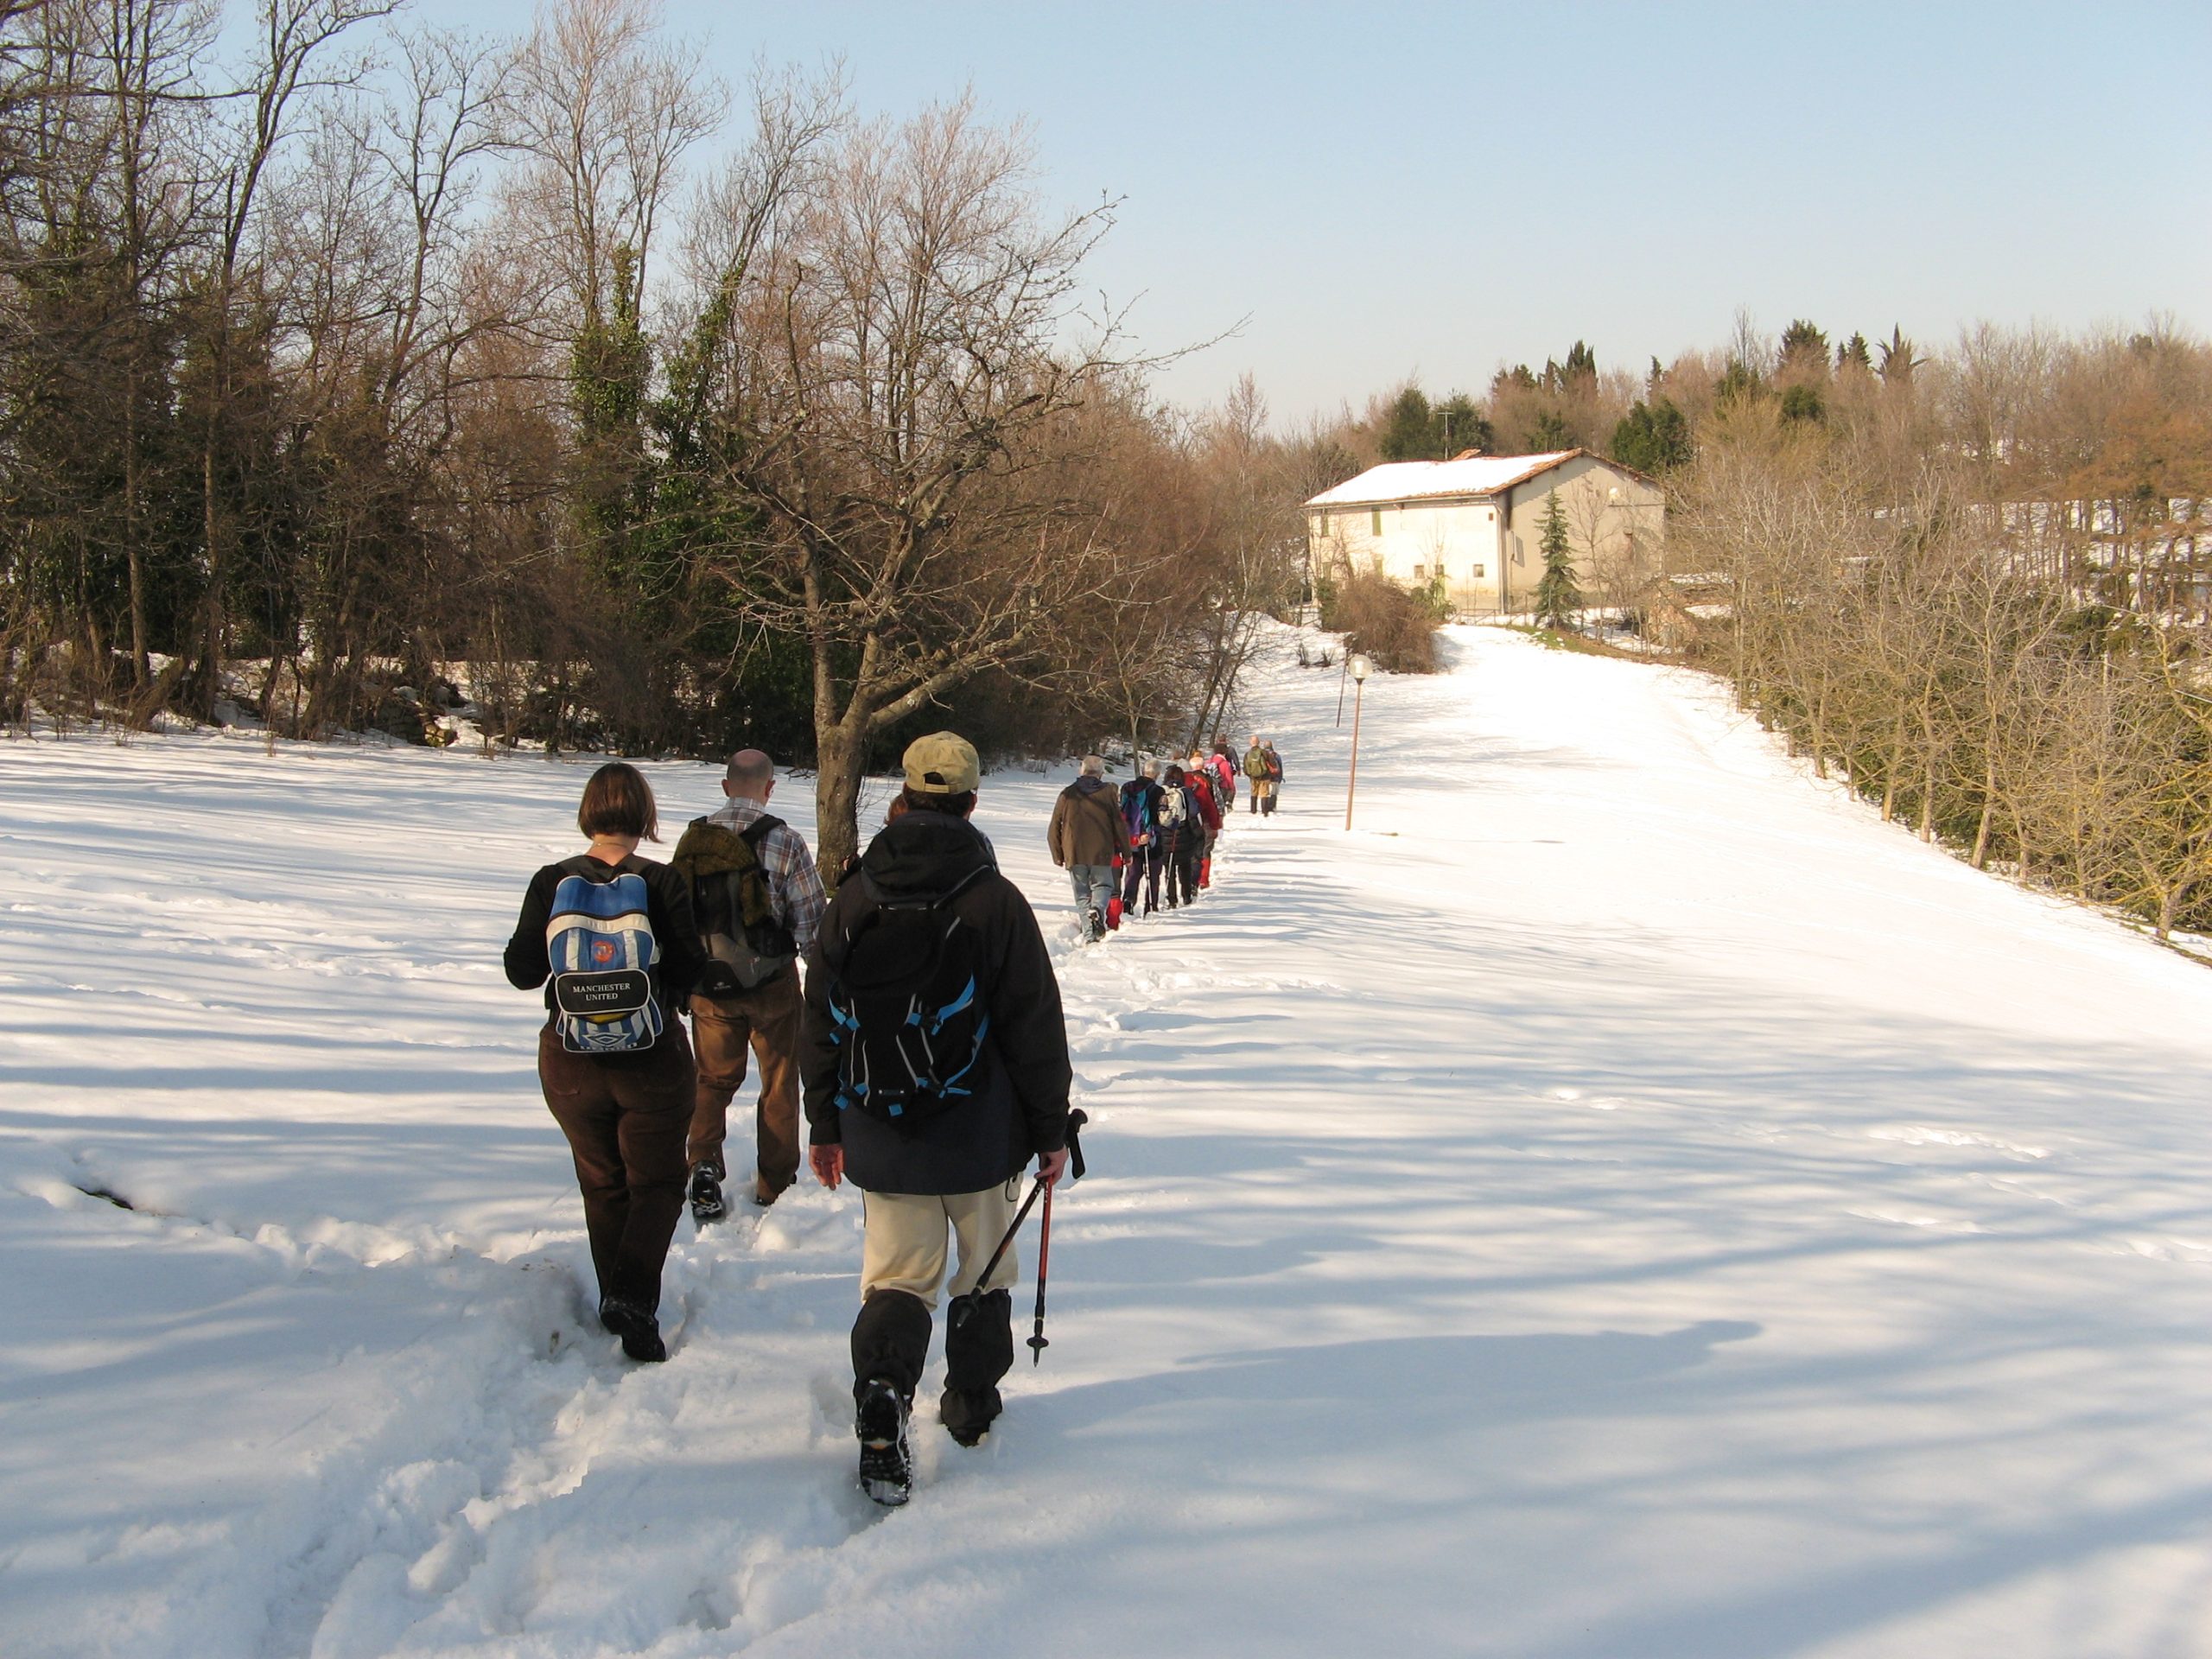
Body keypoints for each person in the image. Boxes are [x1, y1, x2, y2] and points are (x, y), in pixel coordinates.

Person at [800, 731, 1073, 1506]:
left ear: (905, 798)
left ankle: (884, 1389)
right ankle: (969, 1408)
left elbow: (817, 1018)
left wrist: (824, 1124)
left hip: (883, 1133)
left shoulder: (852, 895)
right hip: (980, 1135)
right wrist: (1049, 1132)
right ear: (972, 801)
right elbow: (1033, 1028)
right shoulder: (996, 901)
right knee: (983, 1272)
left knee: (897, 1277)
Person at [504, 762, 707, 1363]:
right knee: (660, 1181)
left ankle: (617, 1298)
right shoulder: (662, 882)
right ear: (645, 815)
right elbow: (691, 970)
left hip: (570, 1060)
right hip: (651, 1057)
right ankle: (633, 1297)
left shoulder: (550, 881)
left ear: (588, 812)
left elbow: (521, 973)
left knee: (601, 1181)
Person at [671, 748, 827, 1220]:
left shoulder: (694, 839)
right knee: (779, 1082)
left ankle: (702, 1163)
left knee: (712, 1079)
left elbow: (676, 913)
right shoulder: (785, 841)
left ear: (724, 786)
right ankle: (775, 1182)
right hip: (771, 985)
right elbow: (811, 921)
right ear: (769, 788)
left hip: (708, 986)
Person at [1047, 753, 1128, 941]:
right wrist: (1126, 850)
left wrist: (1057, 853)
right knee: (1104, 885)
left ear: (1082, 771)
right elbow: (1118, 824)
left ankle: (1090, 936)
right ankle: (1098, 909)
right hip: (1101, 851)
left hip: (1074, 851)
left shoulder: (1067, 793)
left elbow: (1054, 826)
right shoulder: (1108, 793)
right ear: (1100, 774)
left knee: (1082, 893)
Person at [1118, 758, 1167, 917]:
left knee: (1133, 872)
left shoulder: (1127, 787)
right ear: (1157, 774)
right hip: (1151, 837)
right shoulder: (1159, 791)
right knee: (1153, 873)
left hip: (1130, 837)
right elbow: (1162, 815)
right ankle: (1151, 906)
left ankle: (1128, 900)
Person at [1180, 753, 1223, 892]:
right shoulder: (1202, 783)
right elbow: (1212, 804)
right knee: (1204, 851)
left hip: (1180, 825)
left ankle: (1183, 884)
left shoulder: (1175, 786)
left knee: (1186, 854)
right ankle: (1202, 880)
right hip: (1202, 822)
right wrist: (1216, 824)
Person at [1243, 736, 1274, 816]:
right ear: (1259, 742)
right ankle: (1265, 812)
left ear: (1250, 742)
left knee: (1254, 793)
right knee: (1264, 794)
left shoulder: (1247, 754)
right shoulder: (1264, 752)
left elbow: (1245, 767)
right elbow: (1272, 764)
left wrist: (1250, 775)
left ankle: (1253, 811)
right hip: (1265, 777)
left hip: (1253, 778)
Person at [1262, 740, 1286, 815]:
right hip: (1275, 777)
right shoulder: (1276, 755)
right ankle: (1272, 807)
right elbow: (1280, 768)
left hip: (1265, 777)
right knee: (1274, 792)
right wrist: (1280, 778)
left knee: (1265, 793)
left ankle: (1265, 807)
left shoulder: (1261, 755)